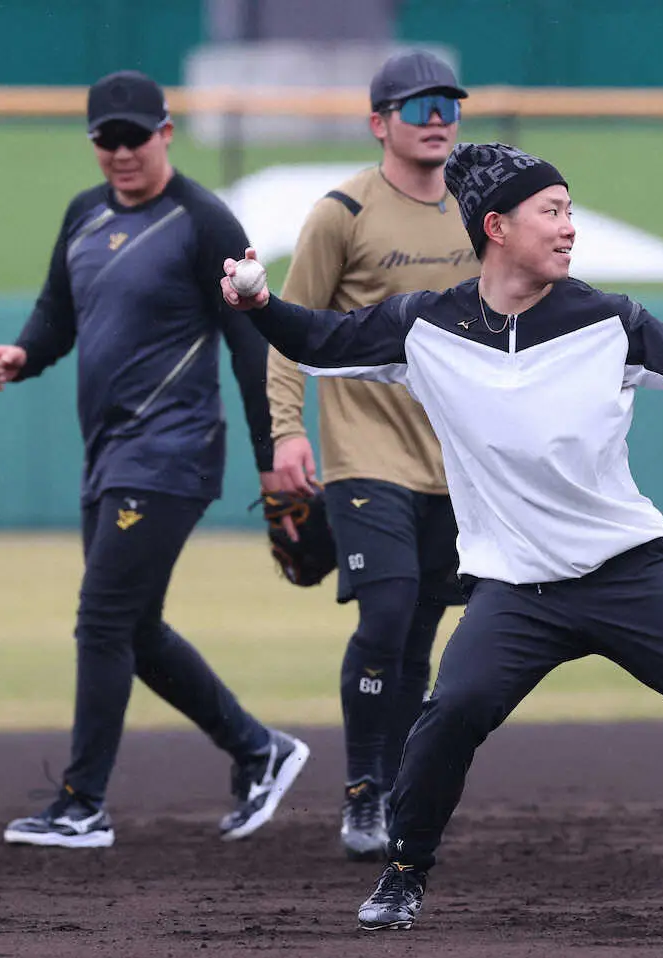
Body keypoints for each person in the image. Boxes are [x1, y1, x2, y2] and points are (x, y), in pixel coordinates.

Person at [220, 142, 663, 929]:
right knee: (451, 709)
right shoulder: (423, 325)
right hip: (514, 587)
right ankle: (403, 871)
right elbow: (317, 339)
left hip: (626, 570)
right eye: (551, 212)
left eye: (569, 211)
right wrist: (256, 306)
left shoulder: (608, 320)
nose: (568, 228)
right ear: (496, 225)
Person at [0, 70, 309, 849]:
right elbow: (59, 312)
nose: (122, 151)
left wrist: (272, 456)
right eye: (107, 139)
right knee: (136, 627)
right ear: (93, 143)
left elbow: (247, 339)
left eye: (136, 136)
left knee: (101, 619)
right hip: (111, 452)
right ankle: (261, 749)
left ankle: (80, 803)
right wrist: (21, 354)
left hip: (173, 449)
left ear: (166, 133)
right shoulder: (83, 215)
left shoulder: (204, 222)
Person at [263, 51, 476, 861]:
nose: (436, 118)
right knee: (384, 614)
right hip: (365, 454)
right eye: (417, 104)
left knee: (420, 632)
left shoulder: (480, 208)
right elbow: (286, 325)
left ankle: (396, 789)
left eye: (447, 104)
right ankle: (362, 792)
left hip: (455, 463)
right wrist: (287, 429)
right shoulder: (342, 211)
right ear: (379, 120)